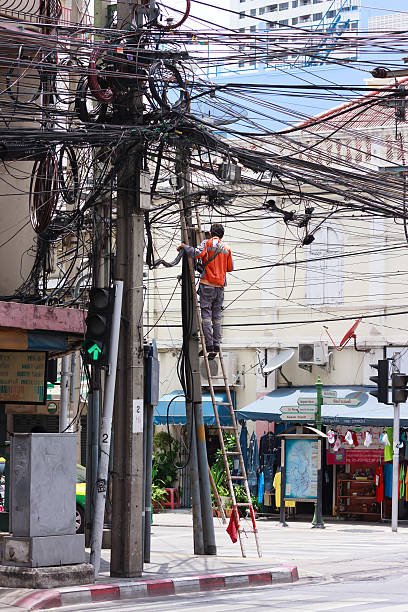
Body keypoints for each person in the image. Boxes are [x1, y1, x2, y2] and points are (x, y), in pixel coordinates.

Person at [177, 223, 233, 359]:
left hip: (207, 285)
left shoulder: (207, 243)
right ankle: (216, 345)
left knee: (206, 317)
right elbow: (229, 268)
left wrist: (184, 247)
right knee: (217, 318)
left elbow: (197, 254)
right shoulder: (226, 248)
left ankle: (208, 345)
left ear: (210, 233)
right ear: (222, 235)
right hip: (220, 287)